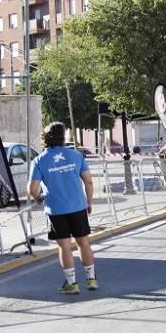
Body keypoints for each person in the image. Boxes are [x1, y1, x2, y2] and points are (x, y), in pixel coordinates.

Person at [29, 122, 97, 295]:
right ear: (63, 137)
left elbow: (32, 189)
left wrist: (38, 199)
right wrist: (89, 201)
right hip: (78, 206)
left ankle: (72, 283)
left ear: (45, 138)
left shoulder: (38, 161)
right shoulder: (76, 155)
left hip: (56, 209)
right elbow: (88, 181)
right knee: (83, 242)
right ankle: (91, 279)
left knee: (64, 246)